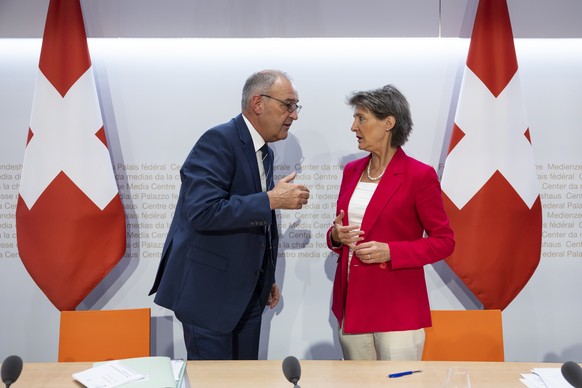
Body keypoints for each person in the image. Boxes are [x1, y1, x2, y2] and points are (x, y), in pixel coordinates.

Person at [149, 69, 310, 360]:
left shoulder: (265, 152)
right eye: (288, 105)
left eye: (296, 106)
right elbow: (204, 211)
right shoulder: (218, 141)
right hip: (209, 297)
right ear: (258, 103)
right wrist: (270, 199)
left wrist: (266, 275)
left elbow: (258, 222)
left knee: (244, 381)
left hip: (248, 295)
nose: (294, 115)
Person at [327, 84, 455, 360]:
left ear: (388, 123)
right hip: (352, 305)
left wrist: (392, 251)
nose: (353, 127)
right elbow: (341, 230)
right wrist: (336, 236)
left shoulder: (419, 175)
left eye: (361, 118)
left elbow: (444, 242)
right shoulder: (352, 171)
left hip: (396, 306)